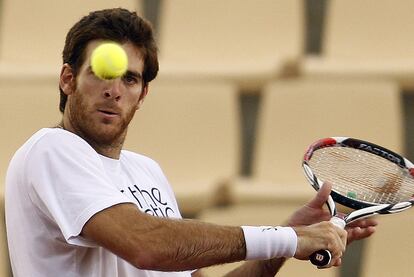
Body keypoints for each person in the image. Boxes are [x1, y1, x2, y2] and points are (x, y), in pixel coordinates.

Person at [4, 8, 377, 277]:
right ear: (67, 79)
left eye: (130, 80)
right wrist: (288, 238)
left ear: (143, 93)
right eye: (102, 73)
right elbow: (145, 245)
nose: (113, 91)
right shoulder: (50, 150)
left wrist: (285, 240)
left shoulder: (147, 170)